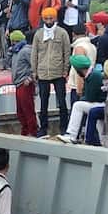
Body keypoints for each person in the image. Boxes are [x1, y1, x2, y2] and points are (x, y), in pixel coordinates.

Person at [32, 8, 71, 136]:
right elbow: (34, 53)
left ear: (55, 18)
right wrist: (34, 71)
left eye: (51, 18)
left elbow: (67, 52)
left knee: (62, 102)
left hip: (58, 72)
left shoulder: (62, 33)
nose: (49, 21)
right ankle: (43, 128)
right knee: (43, 103)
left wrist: (65, 69)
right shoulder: (39, 34)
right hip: (43, 73)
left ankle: (64, 128)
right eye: (46, 18)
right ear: (43, 19)